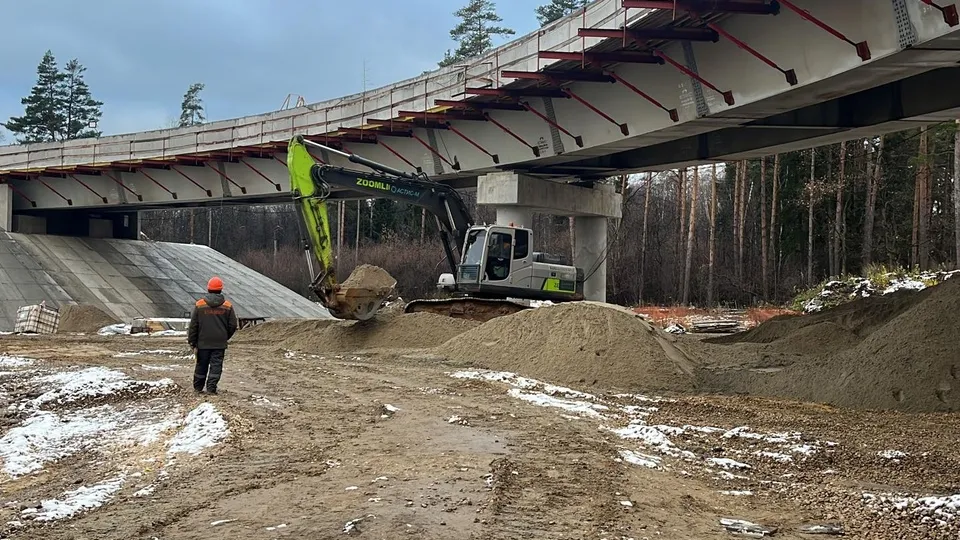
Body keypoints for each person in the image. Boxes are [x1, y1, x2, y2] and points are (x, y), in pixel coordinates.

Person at [187, 276, 239, 395]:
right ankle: (211, 388)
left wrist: (192, 341)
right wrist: (224, 336)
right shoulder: (227, 306)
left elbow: (194, 325)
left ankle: (198, 387)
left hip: (203, 342)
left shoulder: (200, 305)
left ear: (208, 288)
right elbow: (232, 325)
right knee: (216, 365)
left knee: (201, 364)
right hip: (219, 343)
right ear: (221, 289)